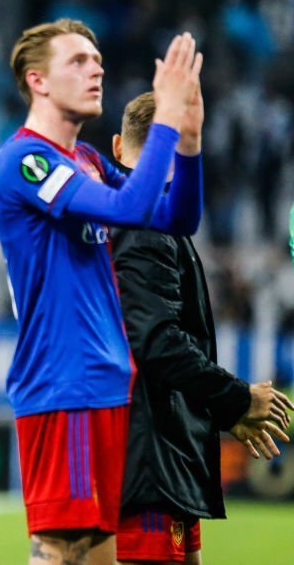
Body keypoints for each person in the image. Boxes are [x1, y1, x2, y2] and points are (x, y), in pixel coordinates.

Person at [0, 20, 204, 565]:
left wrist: (189, 143)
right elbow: (129, 208)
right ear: (37, 81)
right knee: (63, 549)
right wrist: (165, 119)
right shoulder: (24, 161)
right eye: (78, 61)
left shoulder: (85, 161)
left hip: (107, 383)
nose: (96, 70)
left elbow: (177, 218)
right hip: (64, 380)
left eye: (98, 60)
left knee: (100, 551)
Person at [111, 91, 293, 565]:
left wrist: (225, 411)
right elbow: (156, 341)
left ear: (117, 146)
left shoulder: (139, 216)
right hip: (145, 458)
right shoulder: (146, 220)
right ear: (182, 148)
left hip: (160, 451)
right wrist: (236, 397)